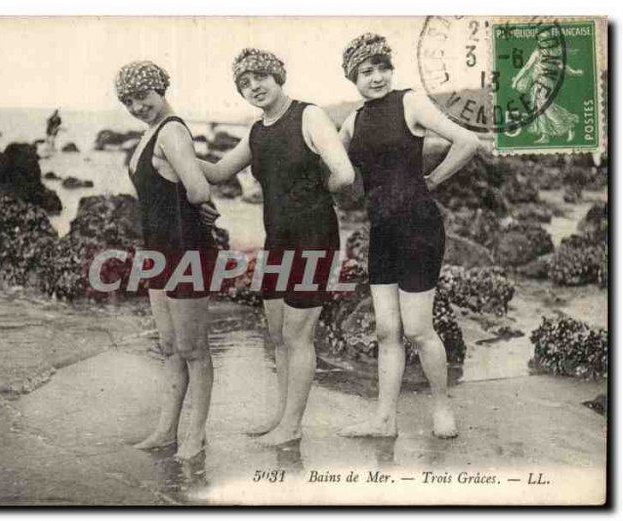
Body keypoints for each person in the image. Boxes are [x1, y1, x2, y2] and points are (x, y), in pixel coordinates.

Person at [198, 48, 355, 446]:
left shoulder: (309, 115)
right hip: (277, 241)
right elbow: (217, 172)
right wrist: (174, 146)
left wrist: (318, 197)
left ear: (278, 76)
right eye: (245, 83)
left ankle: (293, 426)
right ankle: (282, 416)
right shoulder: (257, 131)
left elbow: (344, 172)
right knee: (278, 334)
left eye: (260, 78)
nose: (254, 87)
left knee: (299, 337)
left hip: (313, 237)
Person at [337, 33, 480, 439]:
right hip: (381, 232)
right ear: (353, 78)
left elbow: (467, 141)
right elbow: (331, 161)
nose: (378, 77)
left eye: (383, 67)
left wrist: (433, 179)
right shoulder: (353, 120)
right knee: (386, 331)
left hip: (419, 228)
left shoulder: (410, 102)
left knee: (418, 329)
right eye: (367, 71)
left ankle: (442, 408)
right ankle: (384, 420)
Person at [115, 60, 217, 460]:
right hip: (159, 251)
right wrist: (204, 203)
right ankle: (165, 431)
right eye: (129, 100)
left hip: (186, 250)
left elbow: (195, 188)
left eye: (144, 96)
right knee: (170, 346)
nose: (138, 106)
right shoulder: (151, 133)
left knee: (193, 348)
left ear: (161, 89)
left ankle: (195, 435)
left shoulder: (172, 130)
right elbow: (191, 186)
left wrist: (203, 205)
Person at [511, 30, 584, 144]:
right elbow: (527, 67)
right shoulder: (537, 53)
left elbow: (563, 66)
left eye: (545, 40)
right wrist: (516, 80)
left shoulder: (553, 53)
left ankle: (568, 127)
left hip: (547, 83)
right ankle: (545, 135)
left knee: (546, 107)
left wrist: (575, 73)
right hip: (536, 83)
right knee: (538, 108)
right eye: (541, 40)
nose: (543, 42)